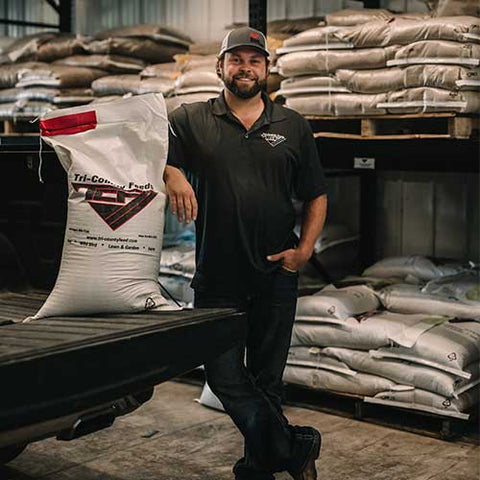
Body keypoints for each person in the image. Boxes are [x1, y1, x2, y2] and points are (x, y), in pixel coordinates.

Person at [164, 26, 328, 480]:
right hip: (217, 275)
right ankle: (296, 446)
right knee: (223, 375)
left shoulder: (291, 125)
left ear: (267, 69)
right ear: (220, 67)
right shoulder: (191, 119)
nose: (245, 68)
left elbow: (315, 194)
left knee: (266, 381)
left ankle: (257, 468)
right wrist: (172, 174)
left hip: (276, 275)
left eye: (255, 60)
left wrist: (303, 251)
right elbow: (157, 151)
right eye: (236, 59)